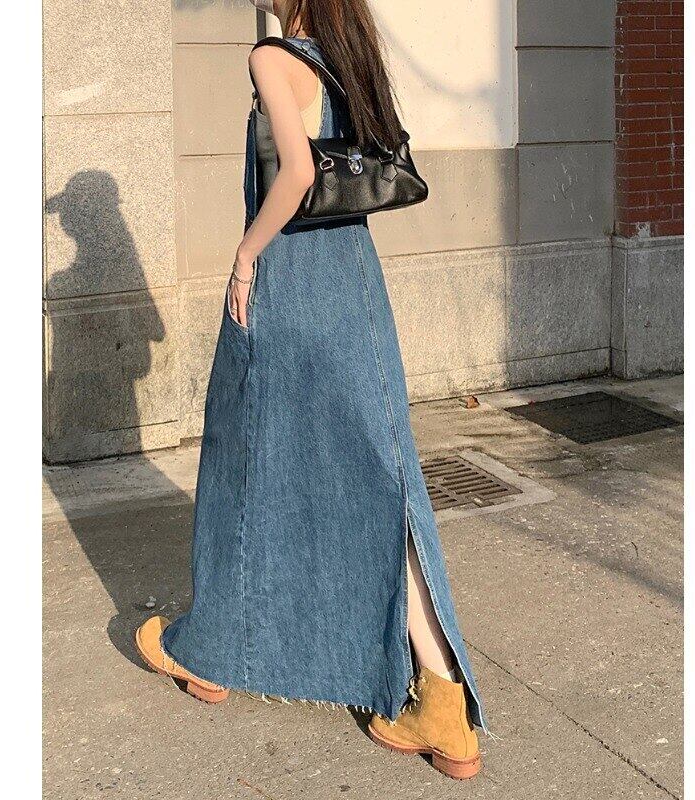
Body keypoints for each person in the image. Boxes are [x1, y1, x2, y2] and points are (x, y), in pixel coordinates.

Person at [136, 0, 486, 779]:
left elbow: (296, 173)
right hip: (354, 284)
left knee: (250, 461)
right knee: (378, 479)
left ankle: (216, 652)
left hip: (292, 286)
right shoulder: (344, 58)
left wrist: (244, 257)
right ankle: (438, 695)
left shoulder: (272, 57)